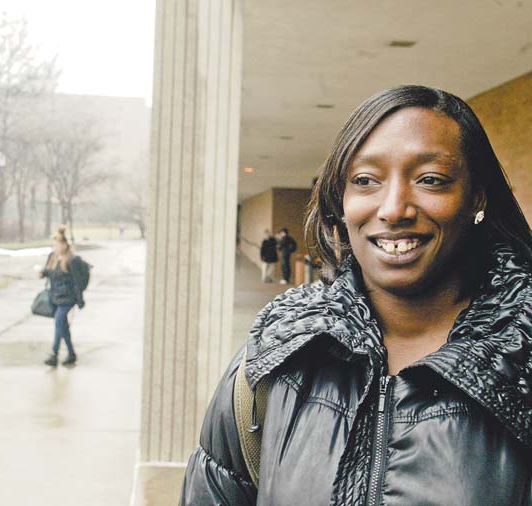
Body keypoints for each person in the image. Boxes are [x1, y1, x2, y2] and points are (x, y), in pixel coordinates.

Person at [179, 85, 532, 505]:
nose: (393, 208)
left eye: (431, 180)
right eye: (365, 181)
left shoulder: (520, 357)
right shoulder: (279, 350)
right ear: (340, 201)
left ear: (477, 196)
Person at [41, 226, 86, 367]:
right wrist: (43, 272)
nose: (56, 247)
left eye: (58, 244)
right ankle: (70, 354)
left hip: (68, 298)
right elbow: (53, 274)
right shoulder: (53, 257)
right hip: (56, 297)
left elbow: (77, 282)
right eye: (54, 244)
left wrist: (79, 299)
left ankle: (54, 354)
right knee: (62, 326)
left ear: (65, 245)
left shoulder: (71, 260)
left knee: (59, 322)